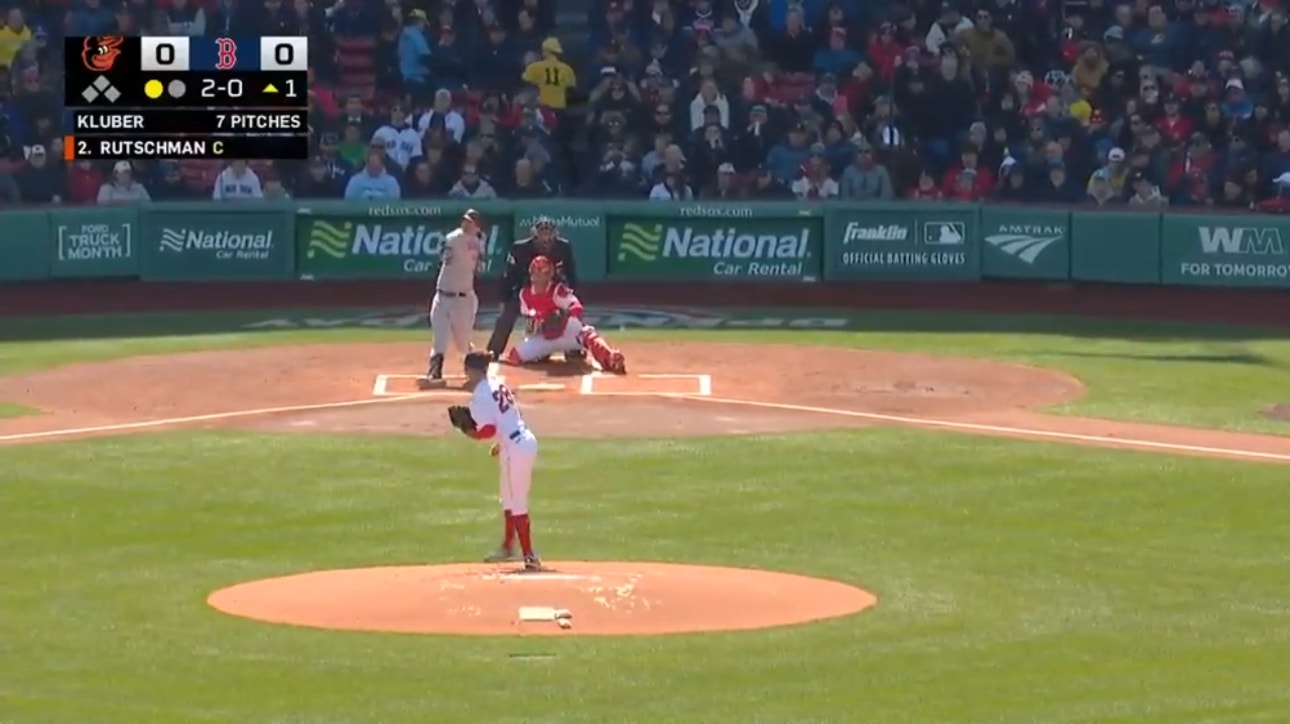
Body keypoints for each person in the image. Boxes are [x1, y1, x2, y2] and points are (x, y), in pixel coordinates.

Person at [451, 351, 542, 570]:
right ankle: (508, 547)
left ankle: (529, 556)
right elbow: (506, 419)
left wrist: (468, 432)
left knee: (517, 502)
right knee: (508, 499)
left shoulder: (481, 395)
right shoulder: (497, 384)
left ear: (470, 370)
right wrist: (501, 444)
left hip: (517, 448)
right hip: (515, 444)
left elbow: (487, 429)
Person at [501, 255, 626, 373]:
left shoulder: (558, 290)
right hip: (544, 335)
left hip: (567, 331)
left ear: (550, 274)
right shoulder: (525, 294)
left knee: (587, 334)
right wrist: (543, 320)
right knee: (515, 355)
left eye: (543, 272)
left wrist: (562, 314)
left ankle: (610, 358)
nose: (539, 276)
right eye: (536, 272)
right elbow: (529, 318)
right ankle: (542, 355)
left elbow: (576, 306)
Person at [486, 216, 578, 359]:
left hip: (552, 292)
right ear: (535, 234)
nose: (545, 237)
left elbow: (571, 273)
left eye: (549, 232)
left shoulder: (563, 247)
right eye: (542, 232)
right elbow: (508, 275)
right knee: (506, 316)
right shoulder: (520, 248)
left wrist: (570, 297)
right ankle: (494, 350)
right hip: (525, 290)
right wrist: (504, 299)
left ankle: (574, 349)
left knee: (572, 316)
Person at [420, 209, 487, 388]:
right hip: (441, 296)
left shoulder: (479, 242)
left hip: (463, 300)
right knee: (439, 336)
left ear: (477, 226)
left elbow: (479, 264)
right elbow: (445, 257)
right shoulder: (453, 238)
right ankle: (434, 371)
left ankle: (479, 365)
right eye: (464, 220)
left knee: (462, 344)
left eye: (470, 222)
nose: (465, 224)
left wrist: (477, 242)